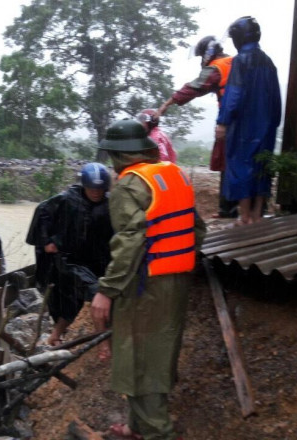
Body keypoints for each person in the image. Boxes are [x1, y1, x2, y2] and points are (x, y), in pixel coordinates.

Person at [91, 119, 206, 440]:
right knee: (155, 353)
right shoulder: (173, 174)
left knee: (141, 362)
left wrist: (107, 290)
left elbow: (130, 240)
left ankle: (159, 433)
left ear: (115, 156)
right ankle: (135, 427)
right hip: (177, 280)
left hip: (146, 284)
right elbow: (198, 229)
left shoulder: (128, 186)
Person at [26, 162, 114, 348]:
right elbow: (42, 212)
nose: (96, 192)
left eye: (100, 189)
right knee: (94, 293)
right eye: (92, 188)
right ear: (84, 186)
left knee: (76, 301)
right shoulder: (68, 199)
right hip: (71, 260)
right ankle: (103, 344)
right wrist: (46, 242)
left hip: (99, 259)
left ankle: (55, 336)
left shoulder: (111, 203)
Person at [155, 35, 239, 219]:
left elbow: (193, 87)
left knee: (227, 162)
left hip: (231, 121)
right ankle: (248, 208)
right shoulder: (234, 61)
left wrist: (166, 104)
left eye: (202, 55)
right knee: (242, 163)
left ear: (208, 53)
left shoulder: (217, 68)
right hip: (247, 119)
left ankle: (228, 209)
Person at [215, 16, 282, 225]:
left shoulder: (240, 61)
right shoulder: (268, 61)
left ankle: (244, 217)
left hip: (244, 125)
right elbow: (276, 97)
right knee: (262, 166)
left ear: (239, 38)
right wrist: (274, 122)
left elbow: (233, 94)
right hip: (267, 124)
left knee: (240, 166)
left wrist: (223, 121)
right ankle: (257, 214)